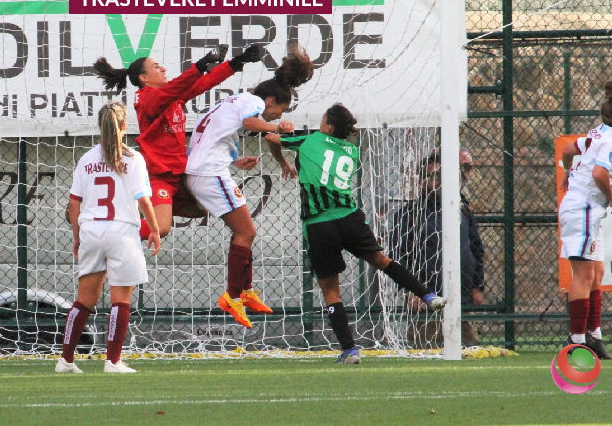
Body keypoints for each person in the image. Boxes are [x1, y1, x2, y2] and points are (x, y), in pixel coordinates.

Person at [265, 103, 447, 364]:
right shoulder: (351, 150)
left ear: (329, 127)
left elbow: (271, 138)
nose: (319, 124)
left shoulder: (310, 140)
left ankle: (350, 350)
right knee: (382, 260)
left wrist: (283, 160)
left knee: (330, 290)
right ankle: (427, 295)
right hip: (349, 218)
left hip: (319, 223)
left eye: (323, 120)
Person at [184, 47, 313, 328]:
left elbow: (209, 136)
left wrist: (235, 161)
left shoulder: (234, 101)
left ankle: (244, 291)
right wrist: (278, 128)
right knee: (247, 231)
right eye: (280, 110)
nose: (276, 115)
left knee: (244, 231)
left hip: (205, 170)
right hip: (208, 173)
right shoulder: (252, 102)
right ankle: (233, 296)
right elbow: (250, 122)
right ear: (271, 100)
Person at [94, 44, 264, 240]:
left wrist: (237, 62)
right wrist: (200, 65)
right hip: (160, 176)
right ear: (144, 78)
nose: (163, 68)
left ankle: (139, 214)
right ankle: (106, 236)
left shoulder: (172, 96)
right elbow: (177, 87)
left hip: (180, 174)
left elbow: (204, 83)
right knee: (161, 228)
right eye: (156, 67)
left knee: (201, 210)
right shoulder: (146, 99)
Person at [55, 102, 161, 374]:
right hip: (121, 231)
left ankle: (65, 360)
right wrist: (155, 228)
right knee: (120, 298)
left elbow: (74, 203)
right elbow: (143, 199)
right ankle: (112, 361)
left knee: (84, 299)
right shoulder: (133, 159)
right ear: (124, 126)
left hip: (91, 230)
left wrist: (77, 235)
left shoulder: (86, 159)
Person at [390, 149, 485, 347]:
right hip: (426, 299)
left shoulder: (462, 210)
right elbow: (399, 257)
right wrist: (411, 291)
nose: (438, 182)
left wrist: (477, 286)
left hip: (461, 297)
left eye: (442, 176)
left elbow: (476, 250)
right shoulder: (409, 214)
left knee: (468, 349)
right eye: (433, 176)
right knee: (427, 350)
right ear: (420, 181)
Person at [557, 84, 612, 359]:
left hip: (588, 209)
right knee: (584, 275)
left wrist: (568, 173)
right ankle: (576, 339)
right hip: (583, 208)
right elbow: (600, 174)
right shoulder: (610, 140)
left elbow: (569, 149)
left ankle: (594, 335)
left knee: (597, 273)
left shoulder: (597, 133)